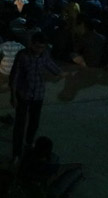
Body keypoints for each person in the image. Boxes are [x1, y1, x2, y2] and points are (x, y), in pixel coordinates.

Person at [9, 32, 64, 160]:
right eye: (37, 47)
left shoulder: (44, 55)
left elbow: (50, 65)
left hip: (38, 94)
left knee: (34, 122)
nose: (40, 50)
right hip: (24, 94)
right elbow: (14, 77)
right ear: (31, 44)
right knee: (20, 125)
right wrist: (13, 96)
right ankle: (16, 153)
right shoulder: (22, 56)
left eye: (42, 47)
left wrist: (59, 73)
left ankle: (28, 143)